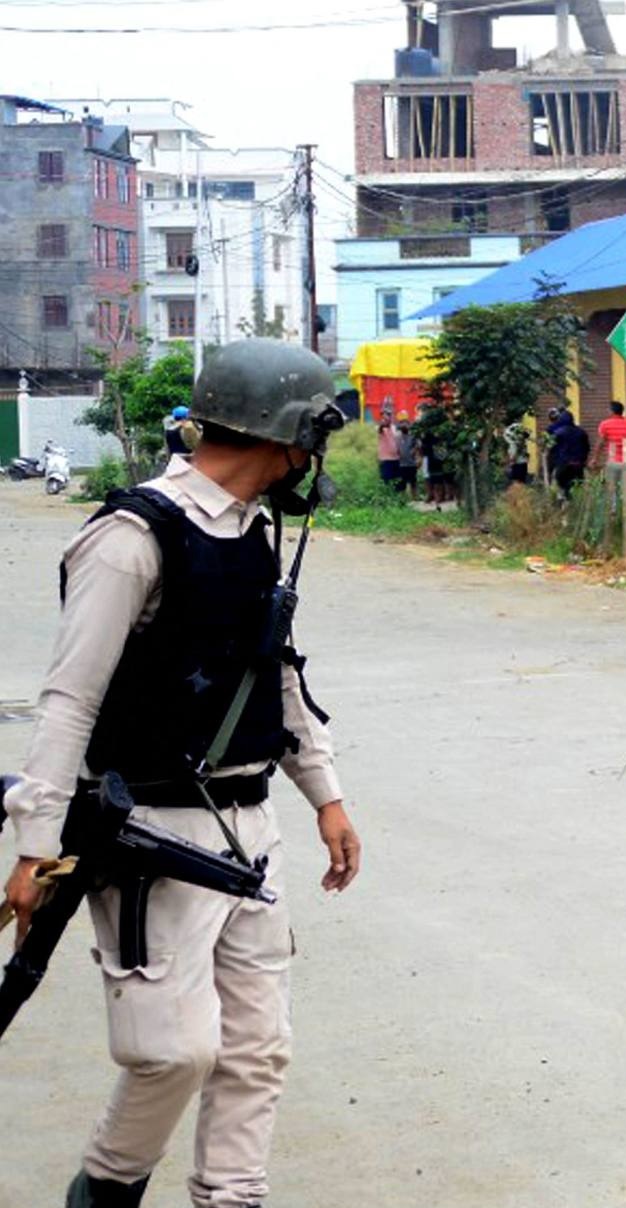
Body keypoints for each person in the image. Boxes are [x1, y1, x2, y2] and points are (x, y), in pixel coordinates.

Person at [2, 338, 361, 1208]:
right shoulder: (132, 538)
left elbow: (276, 676)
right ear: (286, 436)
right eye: (314, 437)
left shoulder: (251, 536)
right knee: (173, 1051)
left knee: (255, 1049)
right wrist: (34, 847)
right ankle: (108, 1190)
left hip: (250, 826)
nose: (313, 459)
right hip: (149, 835)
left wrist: (327, 795)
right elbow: (68, 701)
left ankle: (232, 1198)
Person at [546, 406, 590, 501]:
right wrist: (583, 460)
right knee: (577, 487)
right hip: (578, 464)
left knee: (559, 484)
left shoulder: (558, 433)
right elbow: (587, 448)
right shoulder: (582, 432)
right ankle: (576, 505)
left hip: (563, 464)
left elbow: (551, 448)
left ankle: (562, 501)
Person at [375, 408, 403, 490]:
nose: (386, 417)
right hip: (385, 459)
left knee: (398, 481)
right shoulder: (380, 428)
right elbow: (380, 428)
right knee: (386, 481)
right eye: (384, 416)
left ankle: (398, 498)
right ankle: (387, 498)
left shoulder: (395, 428)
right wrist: (383, 424)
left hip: (396, 459)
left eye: (388, 415)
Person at [503, 419, 532, 485]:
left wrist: (511, 461)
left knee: (516, 482)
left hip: (517, 463)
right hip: (521, 462)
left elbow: (515, 452)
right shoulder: (517, 429)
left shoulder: (511, 432)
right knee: (521, 482)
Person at [395, 420, 420, 494]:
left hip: (412, 463)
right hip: (401, 464)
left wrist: (414, 451)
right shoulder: (398, 437)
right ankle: (403, 498)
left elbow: (418, 445)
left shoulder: (413, 436)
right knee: (402, 482)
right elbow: (396, 448)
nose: (404, 426)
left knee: (413, 481)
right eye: (402, 424)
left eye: (406, 424)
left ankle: (415, 497)